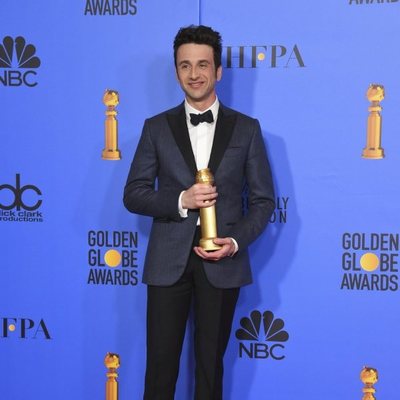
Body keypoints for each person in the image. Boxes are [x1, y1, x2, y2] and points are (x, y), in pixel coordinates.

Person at [123, 25, 275, 400]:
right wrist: (181, 200)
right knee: (160, 369)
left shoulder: (247, 129)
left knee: (210, 369)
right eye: (185, 66)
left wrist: (235, 241)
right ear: (176, 72)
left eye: (203, 65)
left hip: (222, 265)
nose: (194, 74)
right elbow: (134, 194)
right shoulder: (155, 128)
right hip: (166, 264)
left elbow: (263, 201)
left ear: (218, 71)